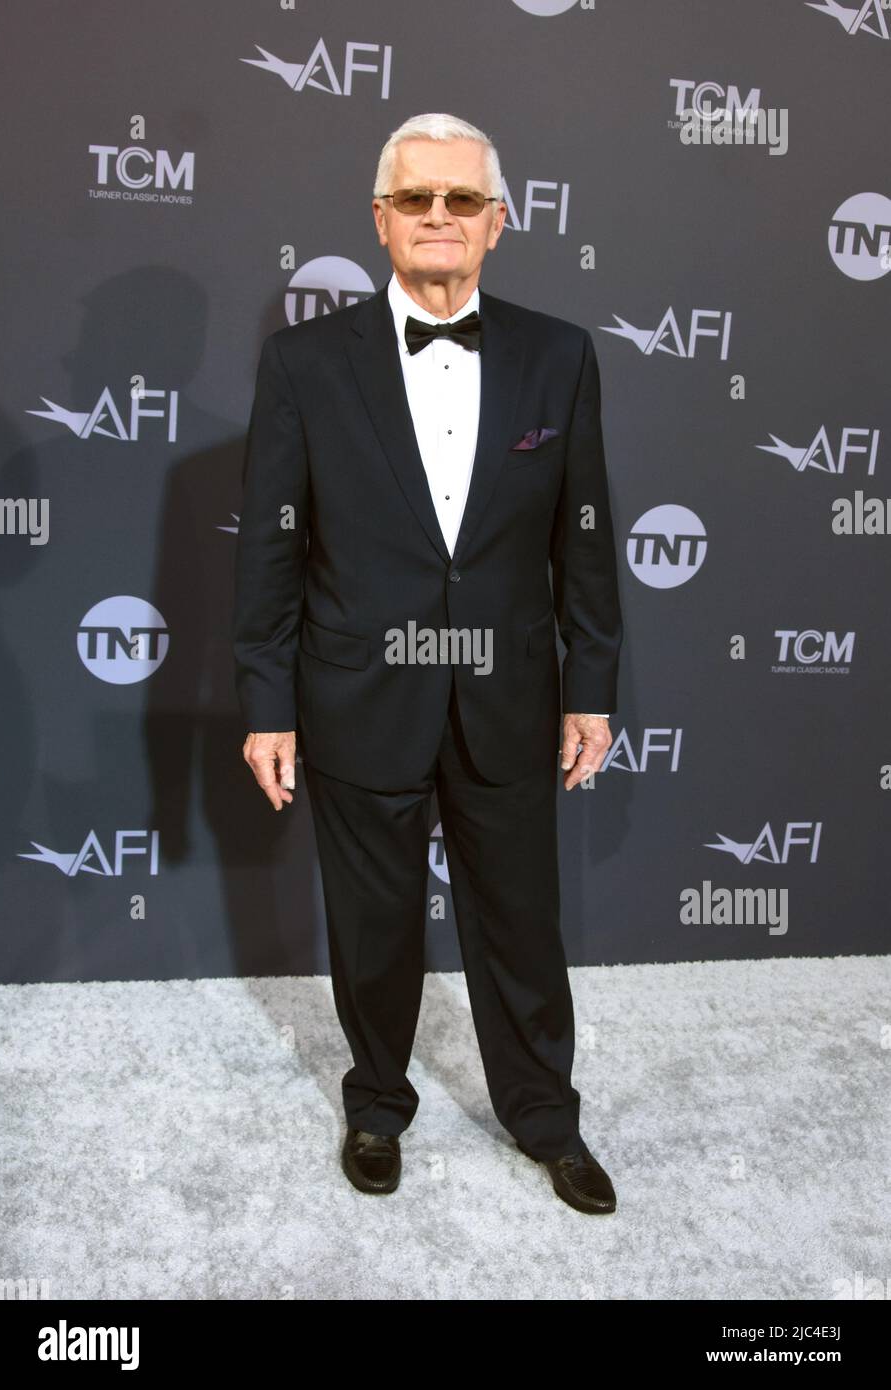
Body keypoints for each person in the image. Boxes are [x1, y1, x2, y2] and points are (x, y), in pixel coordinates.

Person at [232, 113, 623, 1214]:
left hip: (509, 690)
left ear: (497, 222)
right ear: (380, 220)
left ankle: (546, 1115)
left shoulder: (561, 354)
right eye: (416, 200)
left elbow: (584, 537)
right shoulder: (303, 363)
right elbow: (270, 545)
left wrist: (591, 681)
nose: (438, 218)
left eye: (461, 200)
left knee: (521, 922)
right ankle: (374, 1103)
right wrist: (268, 703)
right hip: (358, 689)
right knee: (371, 922)